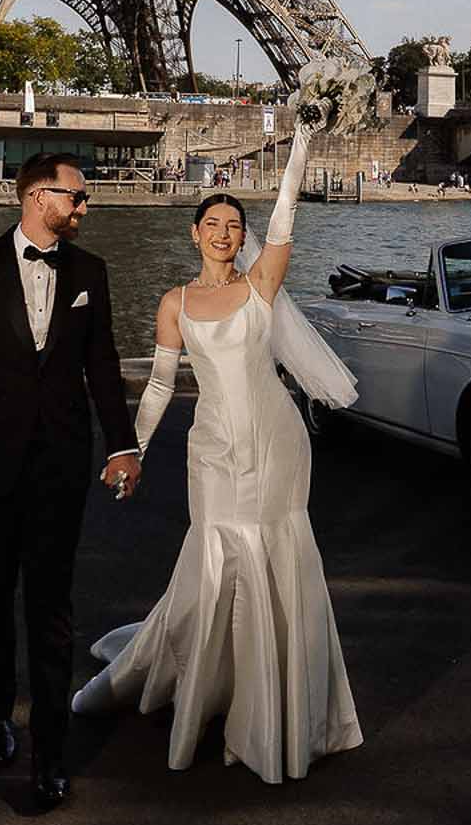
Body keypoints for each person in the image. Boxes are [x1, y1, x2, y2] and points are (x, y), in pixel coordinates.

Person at [70, 134, 362, 784]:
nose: (224, 232)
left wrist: (304, 139)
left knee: (273, 557)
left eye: (234, 224)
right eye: (213, 224)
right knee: (215, 561)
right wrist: (130, 449)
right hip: (213, 452)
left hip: (277, 443)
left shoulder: (261, 286)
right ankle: (195, 683)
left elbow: (286, 216)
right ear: (193, 232)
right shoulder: (174, 303)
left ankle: (272, 706)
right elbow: (158, 386)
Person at [0, 154, 140, 811]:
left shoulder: (90, 272)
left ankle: (50, 755)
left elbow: (101, 367)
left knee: (52, 610)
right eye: (75, 197)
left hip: (60, 468)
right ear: (36, 195)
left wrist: (122, 445)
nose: (83, 207)